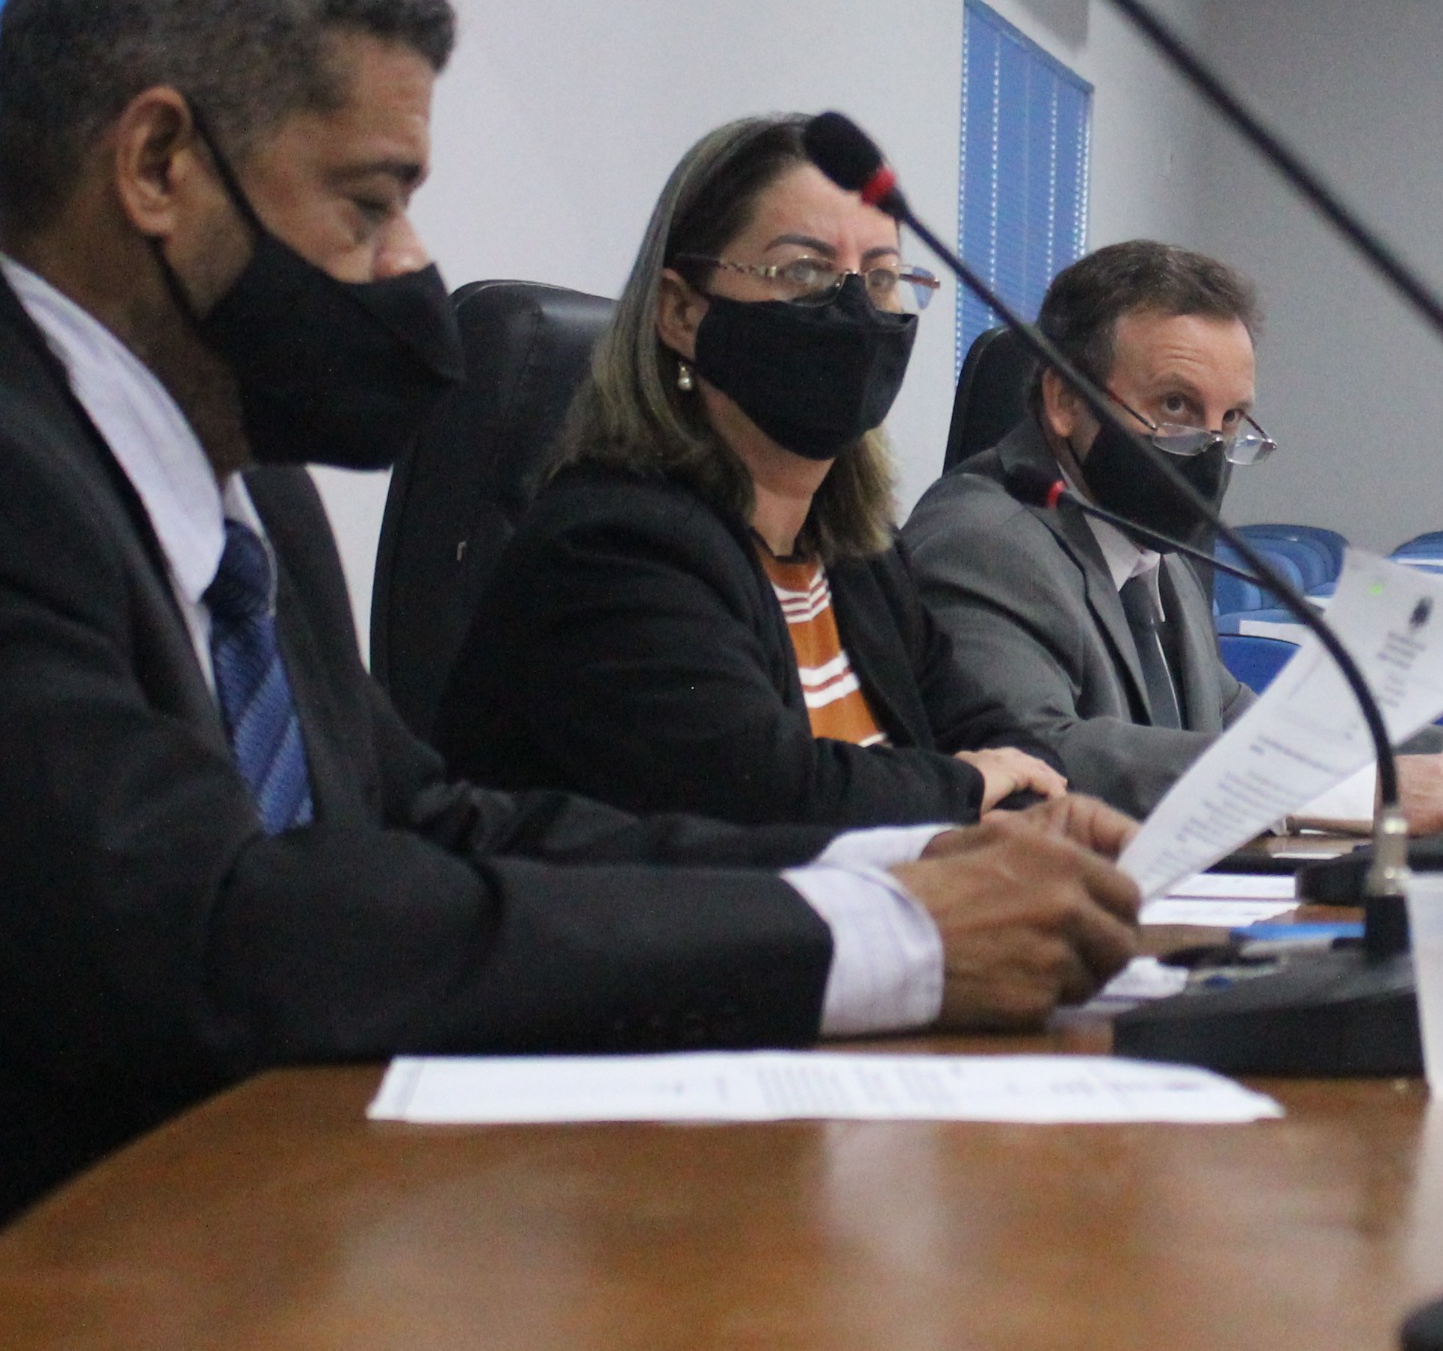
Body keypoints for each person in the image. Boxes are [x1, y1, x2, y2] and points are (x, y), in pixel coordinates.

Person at [0, 0, 1137, 1351]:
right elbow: (218, 940)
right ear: (157, 167)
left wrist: (894, 864)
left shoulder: (238, 492)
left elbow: (432, 822)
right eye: (369, 204)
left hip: (164, 1318)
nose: (411, 266)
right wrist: (887, 944)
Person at [436, 116, 1072, 828]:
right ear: (683, 312)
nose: (855, 308)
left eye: (882, 278)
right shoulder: (612, 547)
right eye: (804, 271)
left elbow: (1000, 738)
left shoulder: (859, 552)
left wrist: (1007, 794)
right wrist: (967, 790)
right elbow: (766, 798)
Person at [903, 240, 1443, 830]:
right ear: (1065, 400)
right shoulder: (986, 539)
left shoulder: (1148, 544)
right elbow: (1039, 756)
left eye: (1230, 420)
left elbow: (1243, 729)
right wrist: (1361, 791)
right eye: (1175, 405)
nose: (1209, 448)